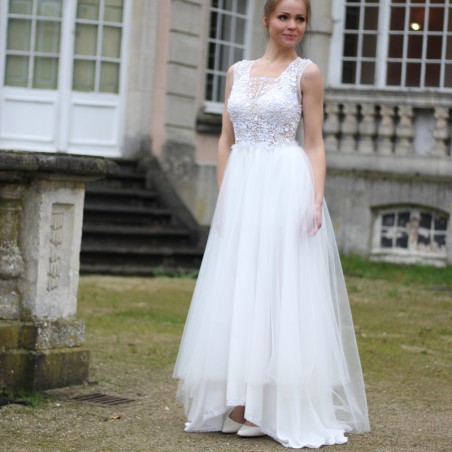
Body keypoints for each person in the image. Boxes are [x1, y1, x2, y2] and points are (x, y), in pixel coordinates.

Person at [173, 0, 370, 448]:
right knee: (241, 286)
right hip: (243, 188)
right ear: (266, 19)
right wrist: (227, 197)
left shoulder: (308, 73)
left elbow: (315, 143)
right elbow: (226, 139)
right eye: (284, 17)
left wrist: (316, 199)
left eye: (300, 19)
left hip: (285, 184)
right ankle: (240, 400)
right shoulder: (237, 72)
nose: (292, 26)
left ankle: (269, 404)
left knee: (277, 287)